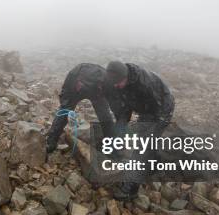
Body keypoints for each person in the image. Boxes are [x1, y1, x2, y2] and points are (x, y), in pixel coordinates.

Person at [105, 60, 175, 199]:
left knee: (142, 146)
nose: (117, 86)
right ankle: (154, 165)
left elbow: (161, 104)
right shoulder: (119, 83)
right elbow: (124, 109)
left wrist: (160, 122)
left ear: (126, 77)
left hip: (161, 110)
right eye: (115, 84)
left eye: (119, 82)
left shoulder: (144, 83)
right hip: (144, 110)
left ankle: (130, 189)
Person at [46, 63, 118, 154]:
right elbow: (66, 91)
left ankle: (111, 144)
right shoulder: (76, 77)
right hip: (76, 88)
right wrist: (65, 102)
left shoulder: (108, 82)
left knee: (105, 115)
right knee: (65, 111)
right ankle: (51, 142)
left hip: (96, 91)